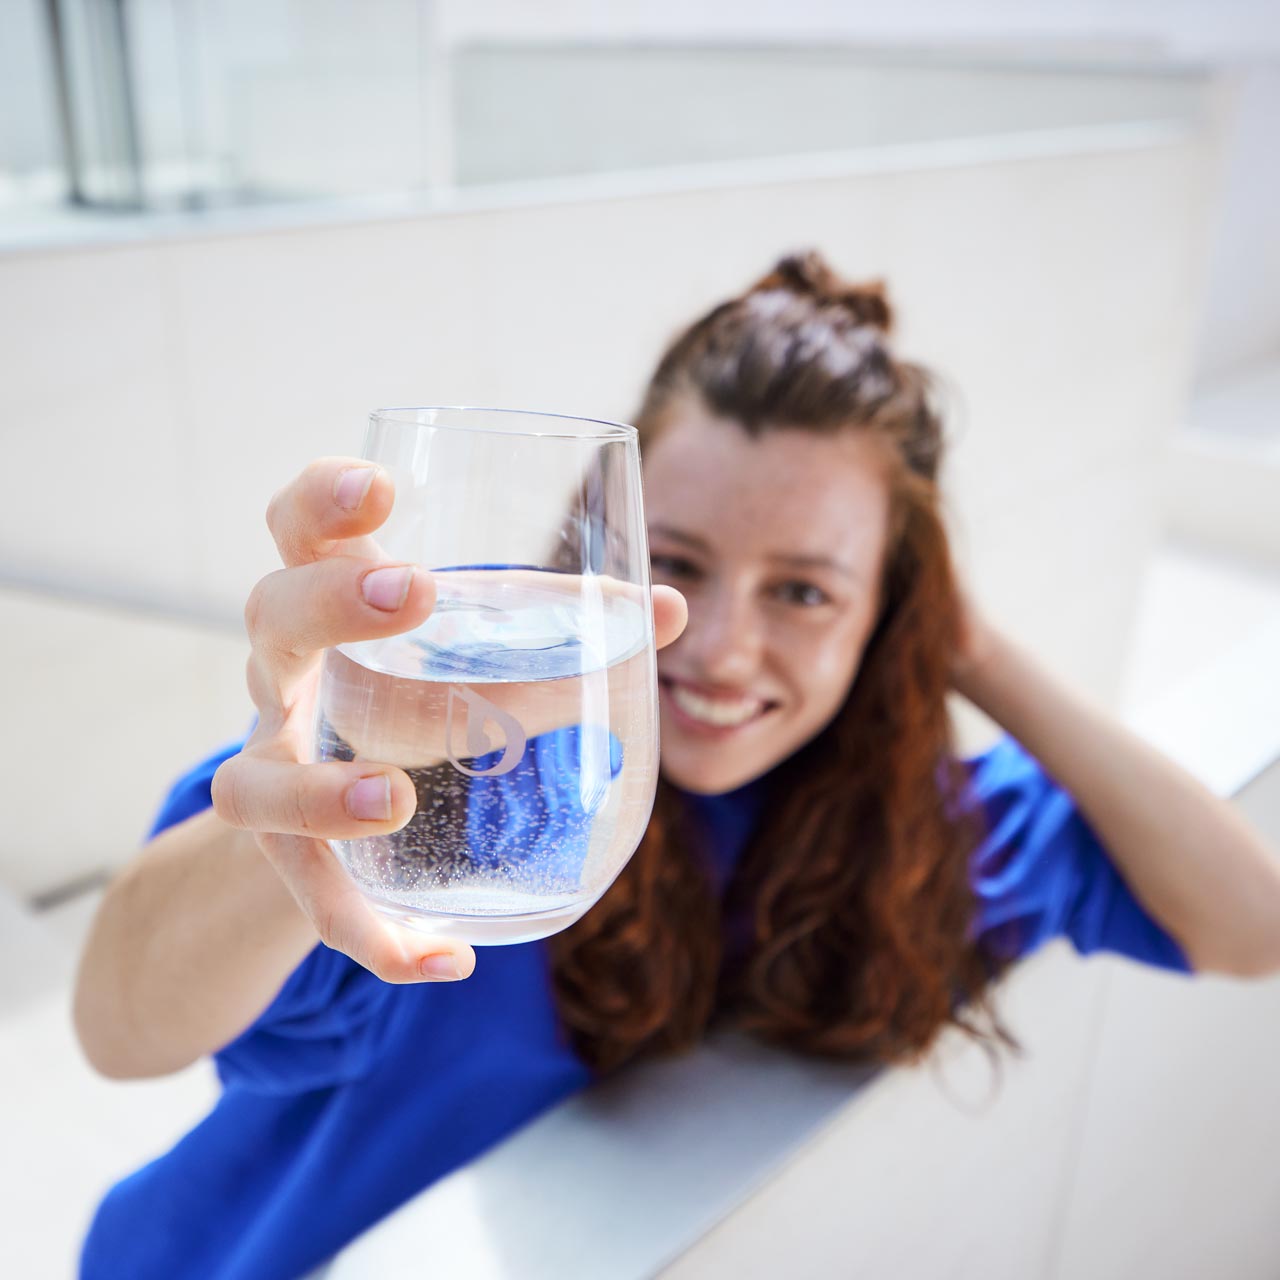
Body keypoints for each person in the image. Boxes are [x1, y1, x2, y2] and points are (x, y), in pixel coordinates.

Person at [74, 252, 1280, 1278]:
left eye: (802, 590)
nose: (716, 647)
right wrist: (294, 824)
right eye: (680, 565)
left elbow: (1250, 924)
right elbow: (118, 1030)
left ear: (888, 614)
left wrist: (968, 648)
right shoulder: (470, 770)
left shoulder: (919, 839)